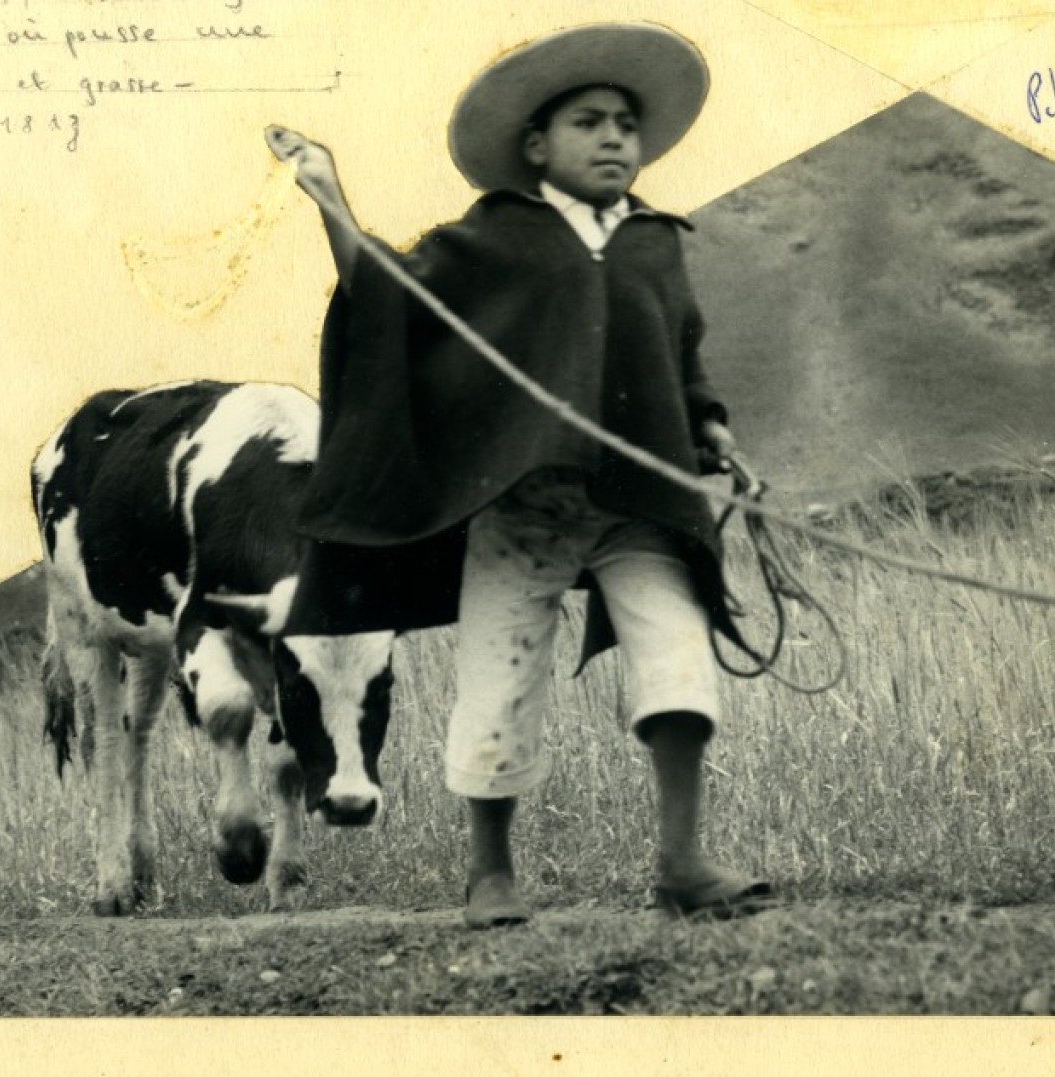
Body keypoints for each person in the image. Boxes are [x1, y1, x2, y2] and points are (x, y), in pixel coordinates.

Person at [270, 22, 775, 928]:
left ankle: (683, 863)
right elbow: (391, 294)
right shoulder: (495, 240)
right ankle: (491, 874)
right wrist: (329, 199)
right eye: (590, 120)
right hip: (521, 507)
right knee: (500, 679)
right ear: (537, 146)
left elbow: (682, 360)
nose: (617, 135)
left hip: (642, 501)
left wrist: (714, 431)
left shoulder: (656, 242)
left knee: (679, 661)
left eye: (627, 121)